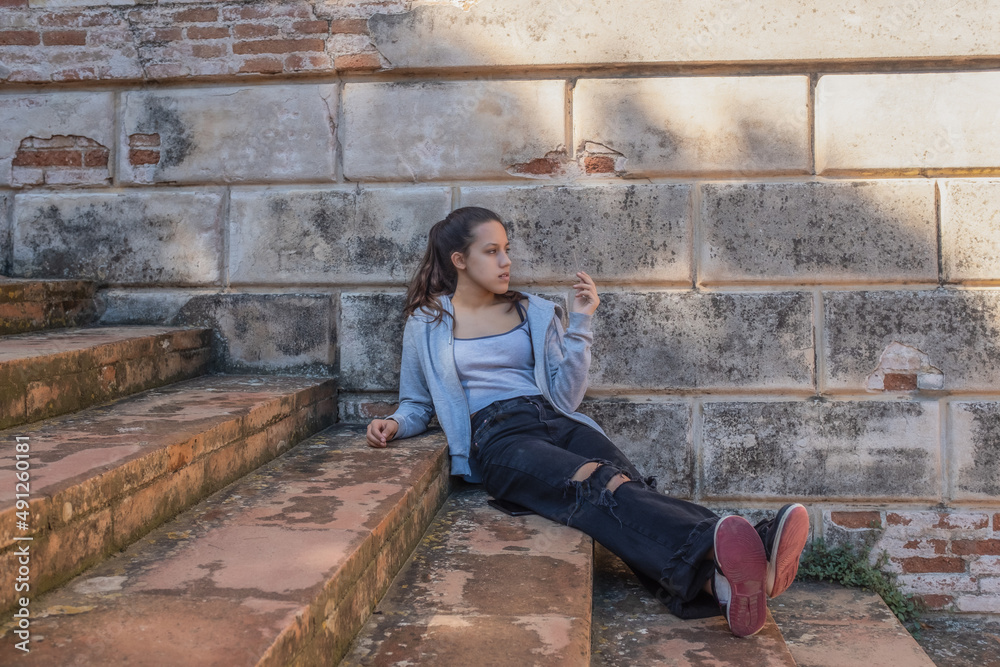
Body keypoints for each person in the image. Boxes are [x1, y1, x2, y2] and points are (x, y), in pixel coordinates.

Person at [366, 206, 809, 637]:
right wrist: (395, 424)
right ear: (459, 261)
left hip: (555, 417)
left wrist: (581, 322)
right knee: (596, 483)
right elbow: (417, 403)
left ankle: (721, 586)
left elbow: (564, 395)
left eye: (507, 249)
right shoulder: (428, 321)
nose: (506, 261)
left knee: (627, 484)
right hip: (499, 435)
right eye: (492, 251)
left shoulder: (532, 313)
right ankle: (747, 544)